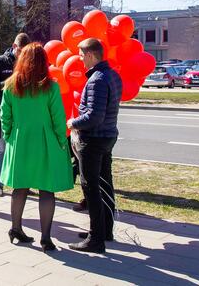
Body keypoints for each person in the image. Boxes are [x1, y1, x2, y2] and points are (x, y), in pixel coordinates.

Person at [0, 43, 73, 252]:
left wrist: (10, 136)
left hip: (20, 139)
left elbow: (5, 116)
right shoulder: (50, 86)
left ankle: (15, 228)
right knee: (46, 188)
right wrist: (61, 139)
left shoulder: (11, 85)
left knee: (19, 186)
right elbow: (58, 117)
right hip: (45, 140)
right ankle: (46, 237)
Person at [68, 38, 122, 254]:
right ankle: (104, 230)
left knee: (92, 189)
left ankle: (96, 239)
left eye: (81, 55)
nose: (80, 59)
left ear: (90, 55)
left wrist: (72, 122)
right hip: (107, 137)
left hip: (94, 139)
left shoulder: (96, 80)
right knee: (105, 185)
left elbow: (94, 116)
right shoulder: (112, 75)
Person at [0, 33, 31, 197]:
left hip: (24, 112)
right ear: (15, 47)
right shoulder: (0, 62)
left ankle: (22, 184)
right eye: (21, 51)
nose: (23, 55)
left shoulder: (29, 61)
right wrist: (8, 82)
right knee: (1, 148)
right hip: (4, 112)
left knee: (23, 149)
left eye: (26, 52)